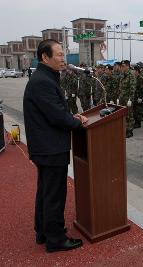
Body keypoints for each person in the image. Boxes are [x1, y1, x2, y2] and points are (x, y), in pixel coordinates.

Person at [23, 39, 88, 253]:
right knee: (54, 195)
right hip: (50, 148)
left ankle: (43, 232)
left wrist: (72, 116)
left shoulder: (45, 77)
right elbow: (57, 116)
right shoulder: (43, 81)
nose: (63, 58)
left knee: (46, 192)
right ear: (45, 57)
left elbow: (56, 110)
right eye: (59, 54)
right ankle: (56, 239)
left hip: (47, 146)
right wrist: (76, 122)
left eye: (63, 54)